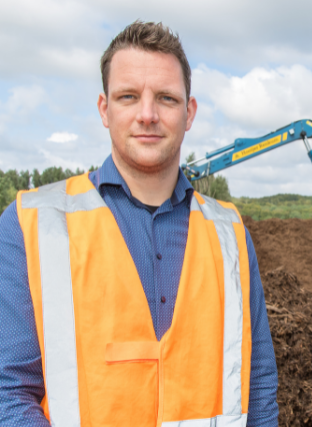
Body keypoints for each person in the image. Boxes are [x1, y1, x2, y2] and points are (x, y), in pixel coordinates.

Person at [0, 21, 279, 426]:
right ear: (104, 109)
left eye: (166, 98)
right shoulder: (32, 223)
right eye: (128, 96)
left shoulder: (230, 233)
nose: (147, 115)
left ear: (189, 112)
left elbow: (259, 384)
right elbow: (10, 390)